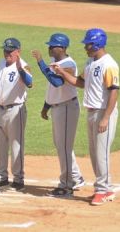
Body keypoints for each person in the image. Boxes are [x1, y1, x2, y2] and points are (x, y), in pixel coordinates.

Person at [52, 28, 119, 206]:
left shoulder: (109, 64)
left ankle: (102, 190)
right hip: (91, 112)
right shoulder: (90, 62)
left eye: (88, 44)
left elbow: (114, 92)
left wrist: (106, 118)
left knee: (101, 153)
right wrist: (62, 73)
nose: (85, 47)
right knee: (95, 153)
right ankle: (107, 187)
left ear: (96, 44)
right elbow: (80, 82)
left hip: (103, 112)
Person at [31, 33, 85, 198]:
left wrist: (40, 62)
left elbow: (57, 82)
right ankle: (75, 177)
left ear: (61, 48)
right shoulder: (56, 63)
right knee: (61, 145)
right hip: (58, 108)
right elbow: (53, 89)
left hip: (67, 108)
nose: (49, 48)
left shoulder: (68, 64)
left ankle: (67, 185)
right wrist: (45, 107)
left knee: (64, 147)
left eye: (52, 45)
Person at [0, 38, 32, 192]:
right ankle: (2, 177)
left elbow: (30, 83)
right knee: (1, 145)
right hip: (1, 110)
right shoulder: (1, 64)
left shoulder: (23, 65)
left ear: (18, 51)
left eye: (10, 51)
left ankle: (18, 179)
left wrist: (20, 68)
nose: (7, 53)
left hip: (16, 111)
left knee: (16, 145)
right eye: (5, 50)